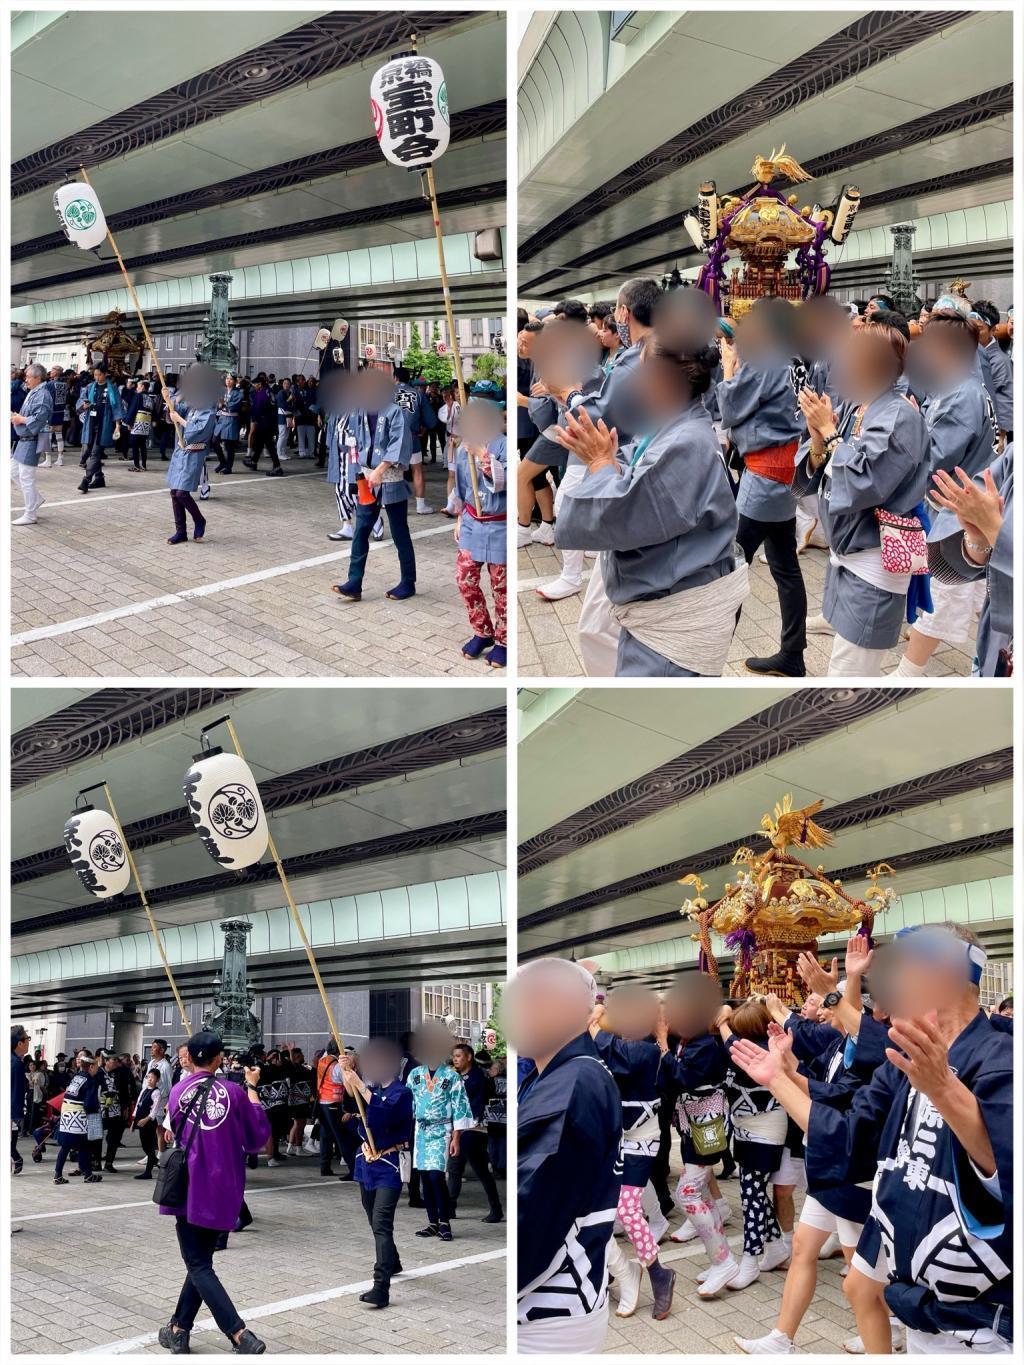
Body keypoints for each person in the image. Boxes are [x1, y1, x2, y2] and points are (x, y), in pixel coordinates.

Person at [731, 925, 1012, 1355]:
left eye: (905, 967)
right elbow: (849, 1132)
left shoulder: (1002, 1059)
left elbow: (1004, 1165)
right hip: (919, 1302)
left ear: (948, 972)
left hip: (982, 1323)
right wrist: (778, 1080)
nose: (893, 981)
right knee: (860, 1286)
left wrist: (943, 1089)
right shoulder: (901, 1062)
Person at [554, 334, 744, 677]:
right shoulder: (673, 426)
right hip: (663, 610)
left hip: (673, 627)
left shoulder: (687, 443)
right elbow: (633, 466)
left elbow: (620, 511)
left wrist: (600, 463)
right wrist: (608, 458)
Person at [794, 320, 930, 676]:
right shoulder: (859, 405)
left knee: (848, 676)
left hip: (873, 561)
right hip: (848, 554)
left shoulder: (899, 416)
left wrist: (828, 430)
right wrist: (817, 438)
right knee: (846, 664)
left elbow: (861, 485)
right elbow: (822, 469)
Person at [511, 957, 623, 1355]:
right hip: (563, 1298)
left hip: (548, 1309)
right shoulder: (562, 1073)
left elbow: (533, 1219)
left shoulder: (570, 1085)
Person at [158, 1031, 270, 1355]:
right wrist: (252, 1087)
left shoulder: (178, 1091)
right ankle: (178, 1330)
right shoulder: (234, 1093)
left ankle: (239, 1333)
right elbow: (257, 1137)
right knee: (200, 1262)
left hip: (190, 1187)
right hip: (223, 1189)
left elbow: (171, 1132)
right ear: (219, 1058)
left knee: (198, 1264)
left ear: (190, 1058)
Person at [716, 299, 807, 677]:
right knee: (786, 568)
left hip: (764, 476)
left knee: (730, 568)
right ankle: (793, 653)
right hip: (785, 472)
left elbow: (731, 408)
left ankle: (708, 653)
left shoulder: (766, 360)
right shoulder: (795, 358)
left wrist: (727, 368)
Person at [338, 1039, 414, 1309]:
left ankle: (381, 1286)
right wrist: (347, 1071)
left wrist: (358, 1083)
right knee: (373, 1218)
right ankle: (392, 1260)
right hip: (367, 1162)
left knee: (381, 1222)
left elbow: (383, 1112)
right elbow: (353, 1097)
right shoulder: (371, 1089)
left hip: (390, 1163)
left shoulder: (402, 1093)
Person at [332, 370, 416, 604]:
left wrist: (381, 469)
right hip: (368, 477)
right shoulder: (360, 411)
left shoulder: (395, 412)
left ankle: (408, 581)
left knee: (399, 531)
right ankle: (354, 582)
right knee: (361, 531)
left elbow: (398, 443)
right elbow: (356, 442)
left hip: (389, 477)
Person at [406, 1022, 474, 1242]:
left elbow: (460, 1106)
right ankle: (432, 1222)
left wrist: (456, 1137)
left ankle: (445, 1222)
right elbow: (407, 1103)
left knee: (437, 1176)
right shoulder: (415, 1074)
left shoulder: (452, 1077)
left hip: (442, 1129)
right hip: (420, 1130)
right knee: (425, 1176)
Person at [454, 389, 508, 667]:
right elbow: (462, 483)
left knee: (501, 586)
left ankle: (504, 640)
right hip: (473, 520)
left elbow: (506, 479)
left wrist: (483, 456)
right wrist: (460, 516)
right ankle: (482, 630)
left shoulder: (503, 444)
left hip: (500, 524)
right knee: (465, 578)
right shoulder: (465, 445)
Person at [446, 1042, 504, 1223]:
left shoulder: (477, 1077)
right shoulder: (456, 1077)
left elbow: (476, 1106)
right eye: (454, 1056)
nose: (455, 1060)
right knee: (454, 1168)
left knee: (480, 1170)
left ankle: (496, 1208)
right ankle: (450, 1208)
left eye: (458, 1056)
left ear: (468, 1057)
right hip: (458, 1129)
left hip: (474, 1129)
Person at [162, 385, 214, 544]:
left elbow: (197, 432)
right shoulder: (191, 409)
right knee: (174, 492)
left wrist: (180, 420)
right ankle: (181, 532)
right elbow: (173, 412)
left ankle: (199, 520)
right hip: (180, 453)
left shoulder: (209, 414)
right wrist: (167, 399)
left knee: (181, 493)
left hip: (194, 455)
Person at [10, 362, 52, 526]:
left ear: (37, 377)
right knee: (13, 472)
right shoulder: (35, 392)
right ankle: (36, 499)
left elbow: (40, 418)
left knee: (26, 478)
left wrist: (21, 419)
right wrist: (17, 417)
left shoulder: (42, 394)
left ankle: (30, 513)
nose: (25, 379)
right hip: (24, 440)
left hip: (31, 440)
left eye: (28, 376)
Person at [54, 1050, 103, 1184]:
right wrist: (96, 1113)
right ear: (91, 1067)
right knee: (85, 1145)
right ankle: (88, 1175)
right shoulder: (90, 1081)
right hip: (78, 1117)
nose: (97, 1070)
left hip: (66, 1115)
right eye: (97, 1067)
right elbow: (89, 1103)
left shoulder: (76, 1077)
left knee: (66, 1146)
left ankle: (58, 1175)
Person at [76, 364, 124, 492]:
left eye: (100, 375)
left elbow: (117, 407)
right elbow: (79, 404)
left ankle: (86, 480)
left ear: (105, 374)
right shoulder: (90, 387)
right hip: (90, 423)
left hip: (105, 423)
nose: (97, 377)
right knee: (90, 449)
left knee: (95, 452)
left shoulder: (112, 389)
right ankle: (99, 478)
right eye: (95, 375)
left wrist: (118, 425)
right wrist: (84, 406)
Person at [131, 1067, 164, 1179]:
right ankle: (153, 1159)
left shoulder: (156, 1092)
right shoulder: (144, 1090)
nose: (150, 1079)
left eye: (152, 1078)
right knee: (144, 1145)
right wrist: (133, 1122)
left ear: (157, 1080)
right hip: (140, 1121)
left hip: (149, 1122)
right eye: (148, 1077)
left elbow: (154, 1109)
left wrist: (146, 1119)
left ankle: (148, 1171)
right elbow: (138, 1105)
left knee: (149, 1146)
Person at [212, 375, 243, 474]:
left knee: (230, 445)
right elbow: (217, 404)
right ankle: (222, 462)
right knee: (214, 441)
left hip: (232, 419)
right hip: (222, 418)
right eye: (227, 379)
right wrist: (219, 404)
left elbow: (235, 405)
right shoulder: (222, 390)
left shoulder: (238, 393)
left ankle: (229, 467)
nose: (228, 381)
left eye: (230, 379)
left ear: (234, 381)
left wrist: (224, 403)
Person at [40, 365, 69, 467]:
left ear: (56, 372)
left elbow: (46, 398)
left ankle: (48, 460)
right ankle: (60, 459)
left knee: (48, 436)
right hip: (60, 412)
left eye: (52, 370)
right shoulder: (64, 384)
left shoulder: (50, 384)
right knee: (59, 436)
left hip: (51, 412)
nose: (50, 372)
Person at [11, 1025, 30, 1175]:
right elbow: (16, 1091)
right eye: (27, 1039)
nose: (29, 1041)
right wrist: (16, 1116)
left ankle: (16, 1158)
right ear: (20, 1043)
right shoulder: (16, 1064)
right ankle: (16, 1158)